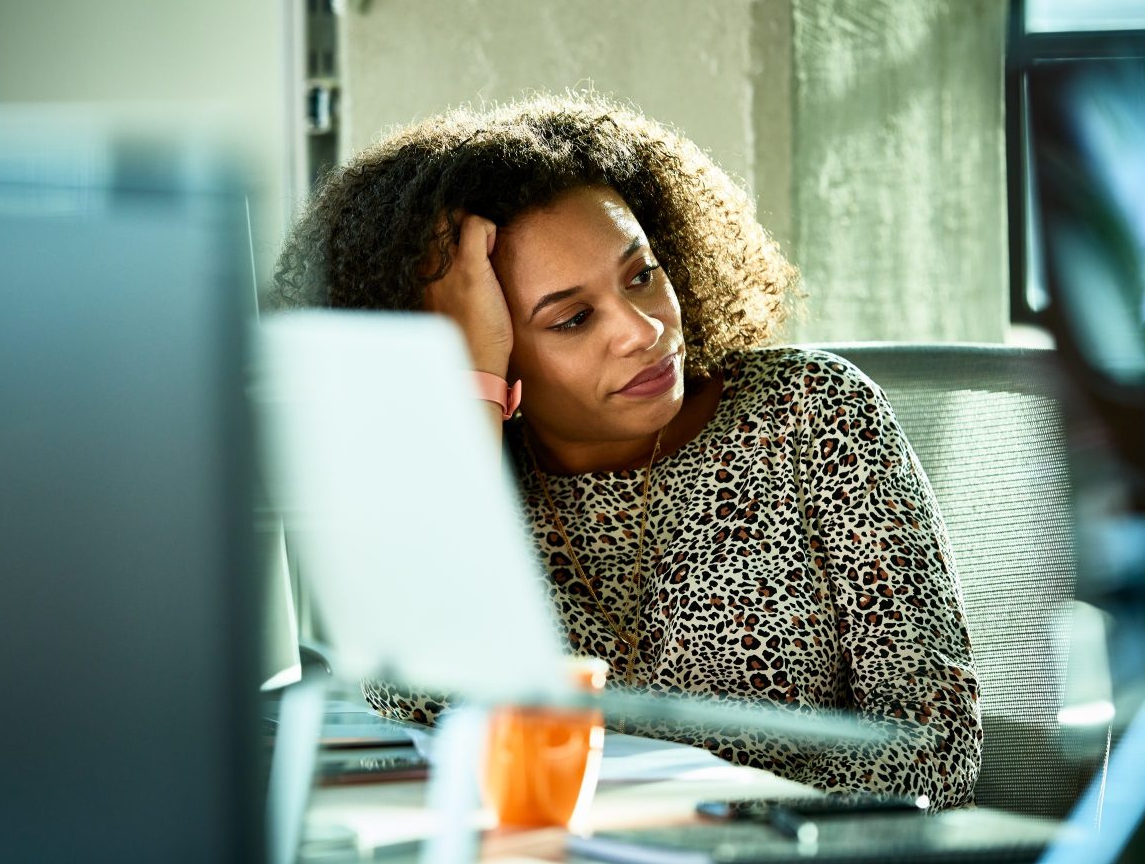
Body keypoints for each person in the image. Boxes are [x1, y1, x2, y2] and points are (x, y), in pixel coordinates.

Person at [274, 93, 982, 808]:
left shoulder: (812, 412)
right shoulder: (474, 483)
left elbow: (935, 743)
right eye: (573, 318)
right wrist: (470, 393)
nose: (642, 330)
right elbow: (415, 696)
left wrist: (733, 835)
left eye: (641, 274)